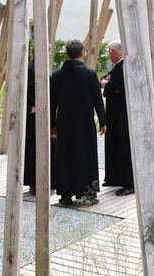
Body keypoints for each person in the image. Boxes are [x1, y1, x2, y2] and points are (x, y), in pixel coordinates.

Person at [51, 40, 106, 206]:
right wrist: (103, 121)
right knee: (86, 156)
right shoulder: (89, 74)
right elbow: (98, 100)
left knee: (66, 156)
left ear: (67, 54)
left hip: (65, 123)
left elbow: (52, 102)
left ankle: (66, 195)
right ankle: (88, 193)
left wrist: (52, 125)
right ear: (82, 53)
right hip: (85, 122)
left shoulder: (58, 75)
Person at [100, 41, 134, 196]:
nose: (109, 54)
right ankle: (115, 177)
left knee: (123, 146)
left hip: (122, 114)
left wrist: (106, 84)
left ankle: (129, 183)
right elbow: (109, 84)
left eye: (110, 51)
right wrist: (107, 83)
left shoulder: (124, 67)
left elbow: (113, 87)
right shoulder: (118, 67)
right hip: (116, 113)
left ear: (116, 51)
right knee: (115, 144)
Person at [23, 56, 57, 194]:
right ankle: (35, 182)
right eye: (48, 50)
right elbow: (23, 90)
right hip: (34, 118)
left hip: (43, 114)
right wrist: (30, 108)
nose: (49, 53)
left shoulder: (39, 67)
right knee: (35, 148)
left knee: (45, 147)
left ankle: (45, 180)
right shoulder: (31, 69)